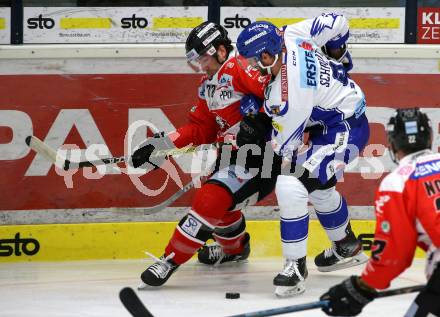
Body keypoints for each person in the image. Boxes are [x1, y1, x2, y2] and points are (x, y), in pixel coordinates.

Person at [131, 21, 282, 288]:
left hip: (260, 158)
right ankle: (235, 250)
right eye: (195, 61)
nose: (200, 66)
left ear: (221, 51)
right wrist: (161, 146)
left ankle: (170, 259)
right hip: (231, 158)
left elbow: (280, 95)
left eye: (202, 58)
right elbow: (201, 129)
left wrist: (260, 122)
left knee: (210, 198)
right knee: (221, 209)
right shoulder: (208, 85)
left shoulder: (240, 68)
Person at [235, 13, 369, 297]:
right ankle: (347, 246)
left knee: (291, 182)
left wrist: (259, 125)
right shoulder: (290, 35)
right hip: (334, 118)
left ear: (269, 55)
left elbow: (286, 149)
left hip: (344, 129)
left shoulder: (287, 96)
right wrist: (338, 52)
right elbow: (338, 21)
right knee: (319, 188)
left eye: (253, 60)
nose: (250, 67)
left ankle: (295, 267)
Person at [320, 108, 440, 317]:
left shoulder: (398, 182)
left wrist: (362, 287)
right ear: (430, 137)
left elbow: (395, 253)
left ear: (391, 144)